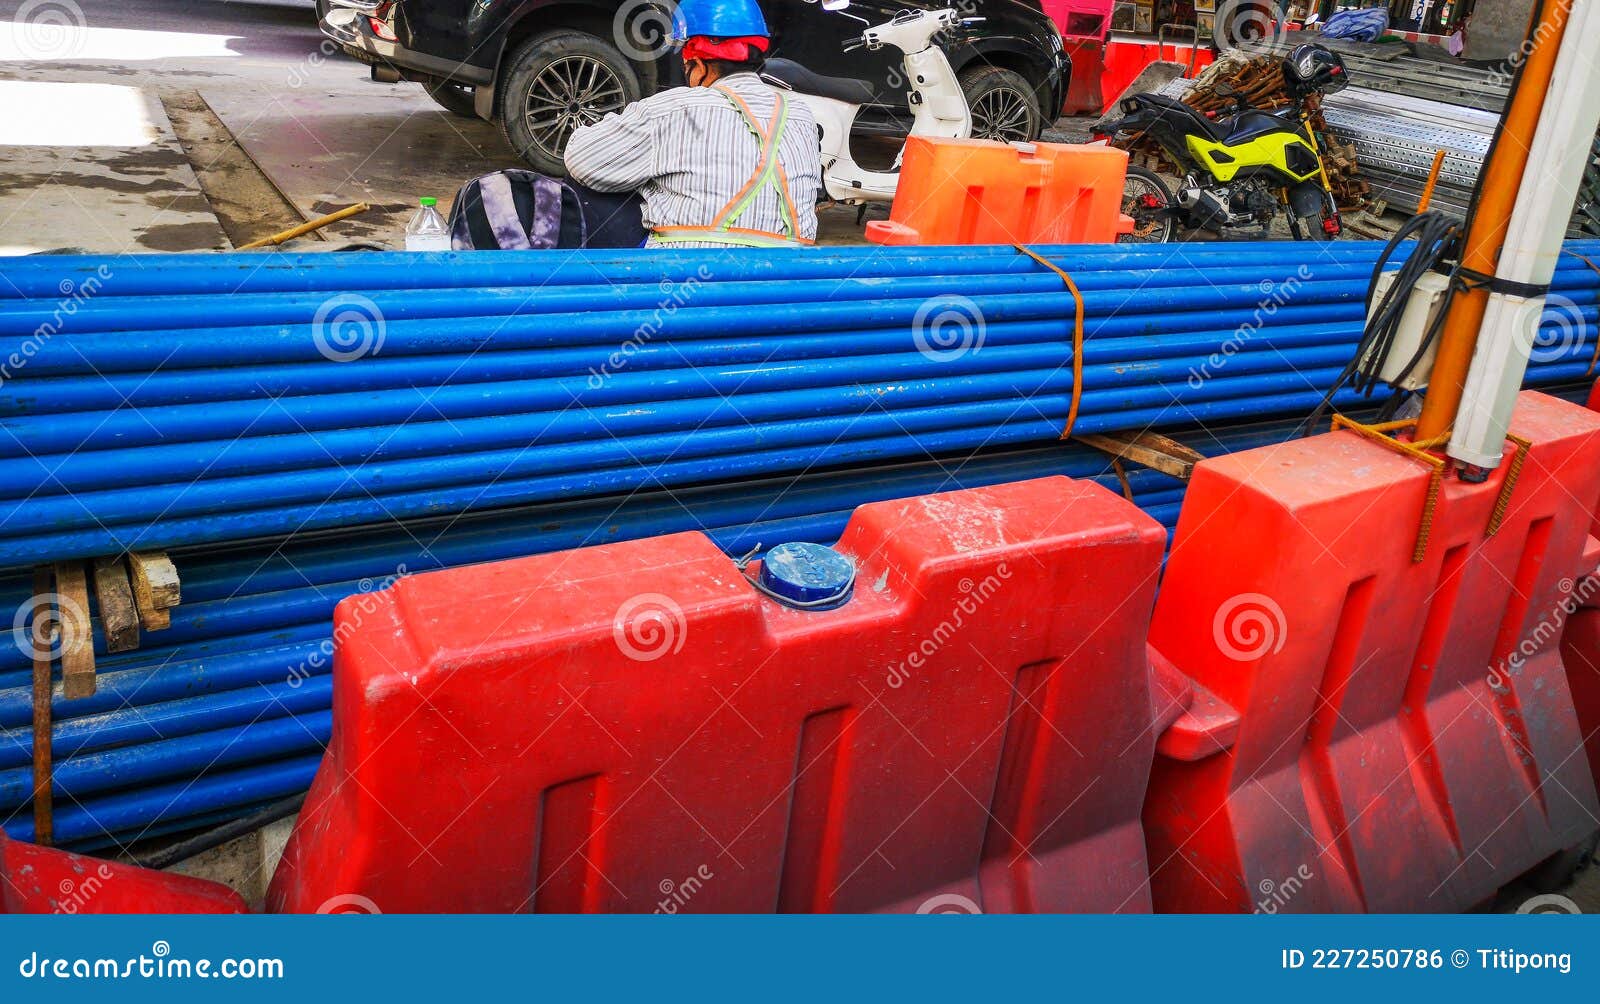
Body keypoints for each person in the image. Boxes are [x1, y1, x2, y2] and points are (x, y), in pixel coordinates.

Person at [563, 0, 822, 249]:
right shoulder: (801, 114)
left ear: (698, 65)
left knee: (585, 181)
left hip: (681, 277)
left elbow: (581, 158)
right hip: (785, 276)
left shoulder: (676, 107)